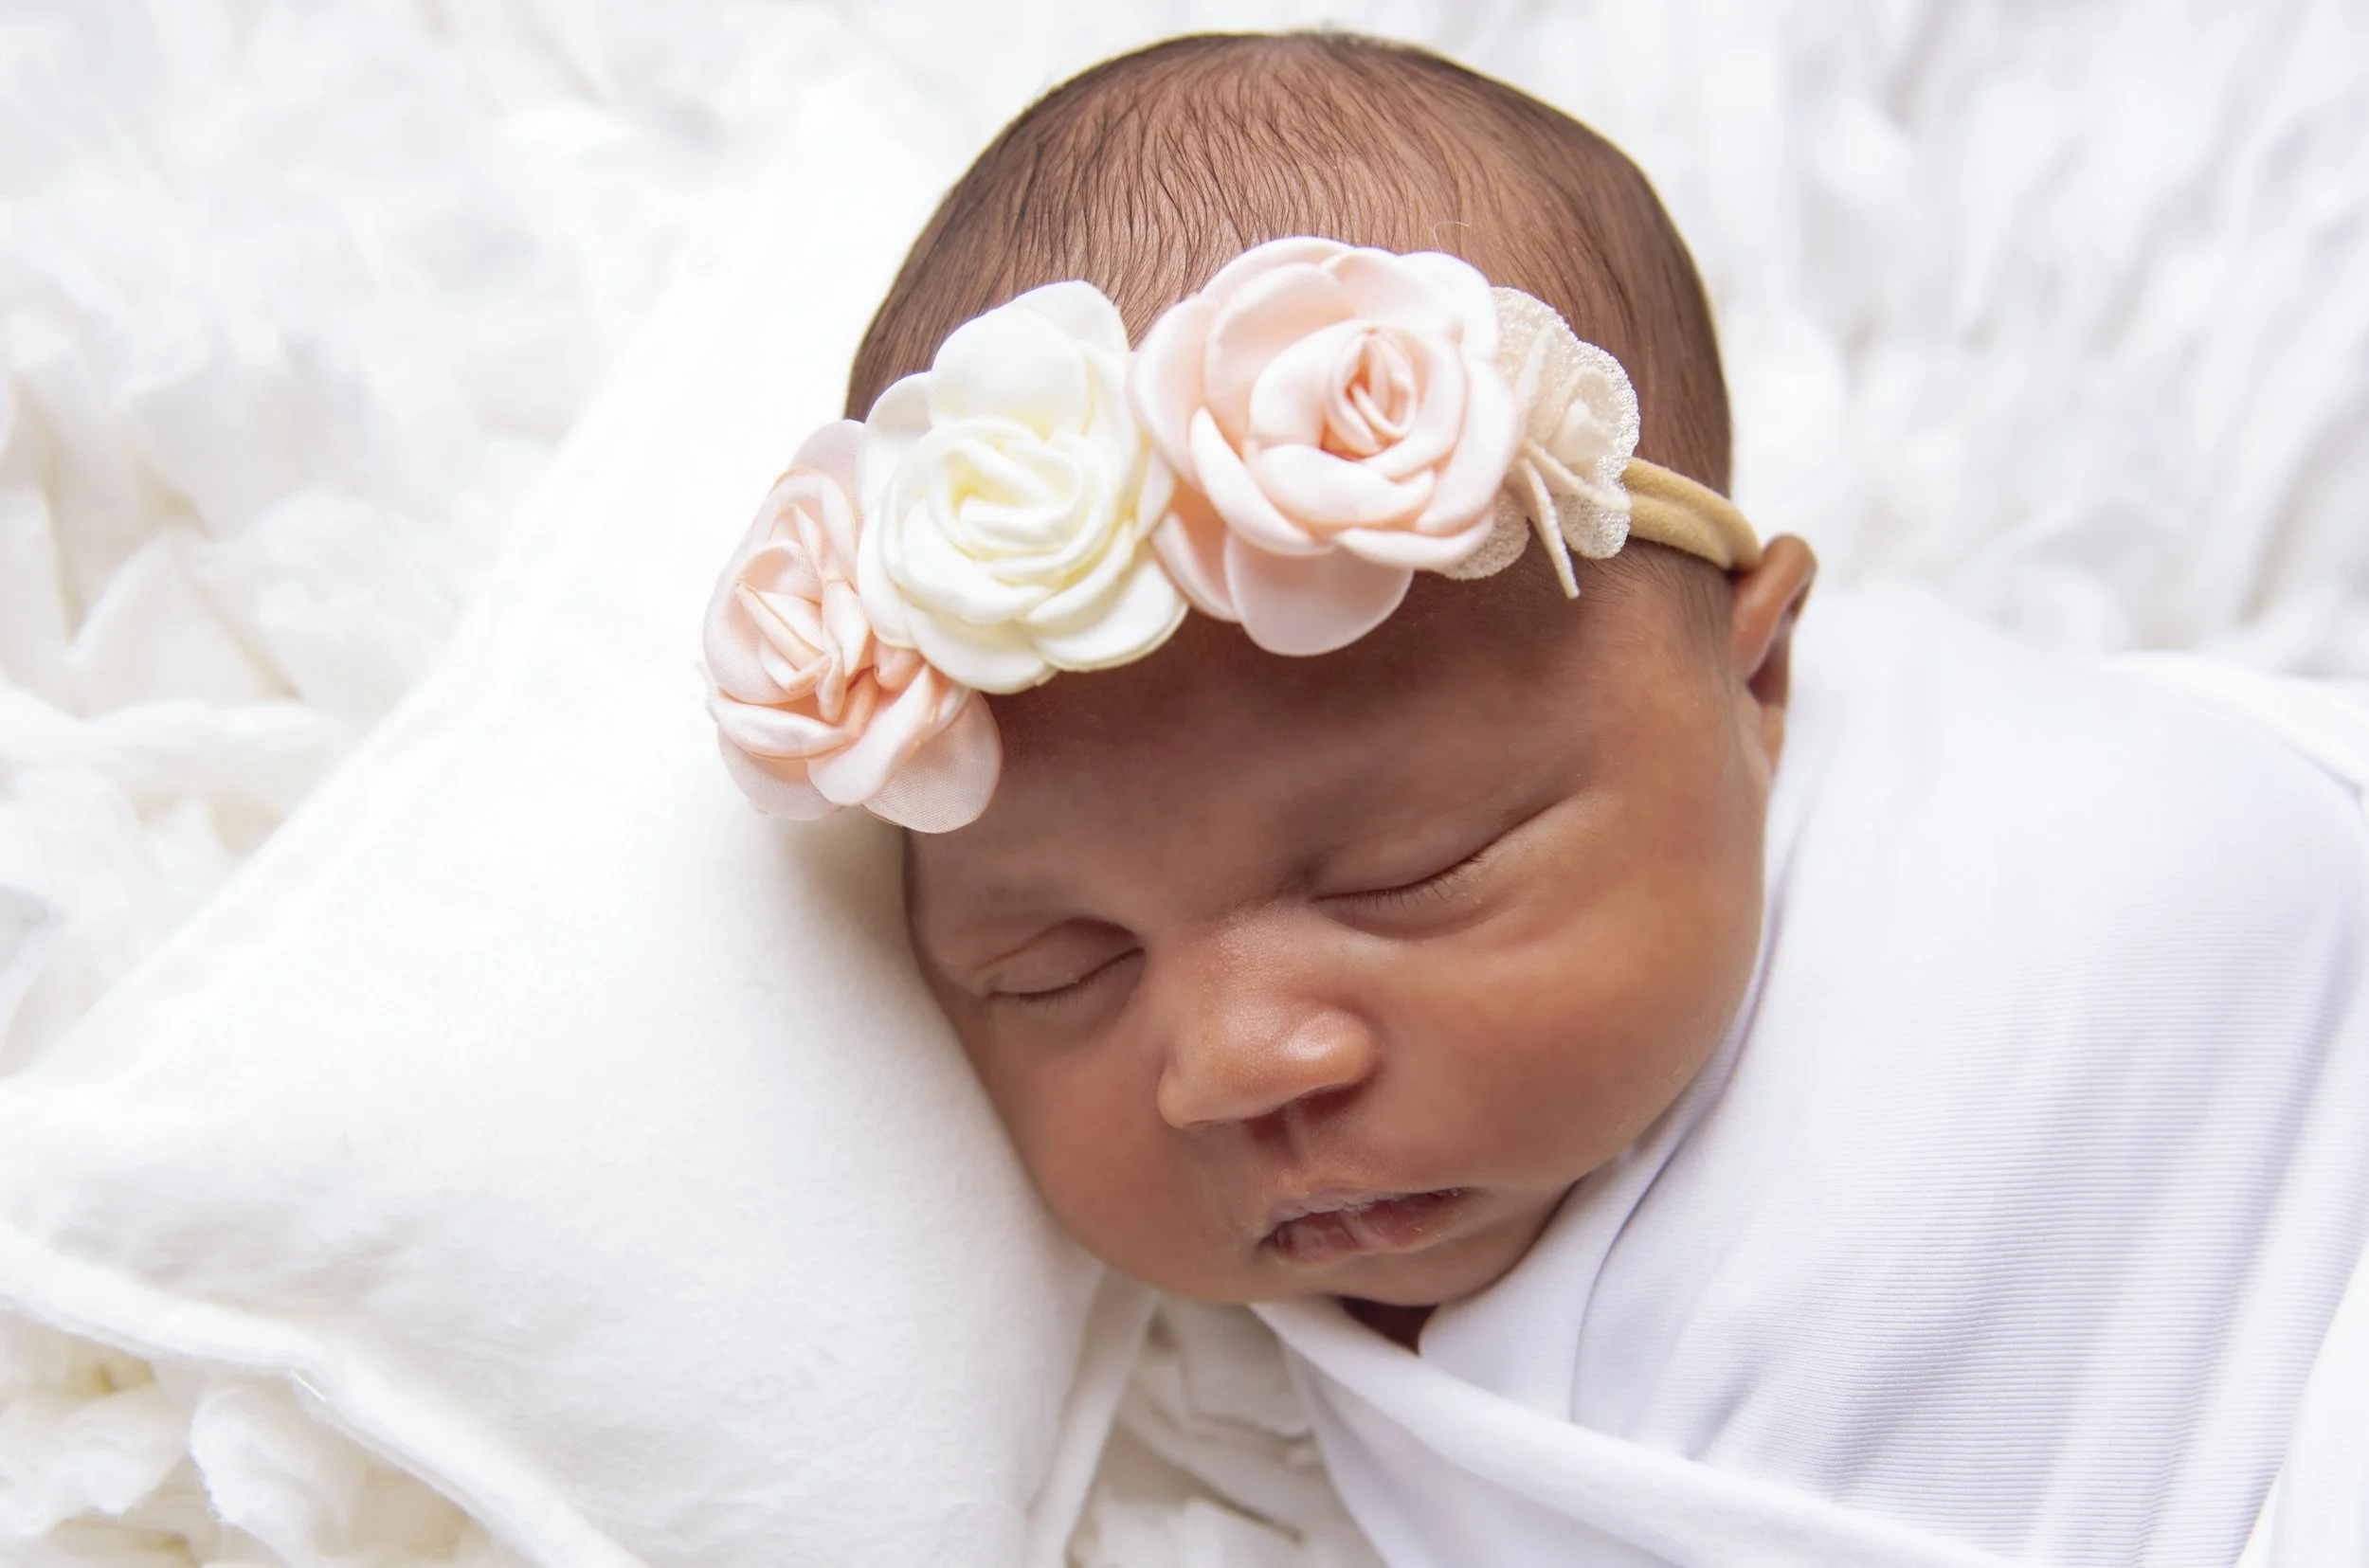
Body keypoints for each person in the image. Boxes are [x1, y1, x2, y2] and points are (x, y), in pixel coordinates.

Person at [701, 31, 2369, 1567]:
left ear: (1758, 680)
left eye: (1411, 869)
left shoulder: (2070, 823)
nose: (1232, 1063)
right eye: (1058, 966)